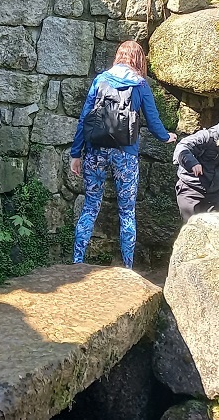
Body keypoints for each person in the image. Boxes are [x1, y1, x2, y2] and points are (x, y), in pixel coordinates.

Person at [69, 41, 177, 268]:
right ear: (139, 60)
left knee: (90, 206)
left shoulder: (100, 80)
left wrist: (76, 153)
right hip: (125, 155)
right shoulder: (140, 84)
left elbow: (84, 119)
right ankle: (127, 267)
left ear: (119, 56)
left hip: (95, 152)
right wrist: (166, 137)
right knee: (127, 212)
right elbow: (153, 120)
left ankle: (77, 262)